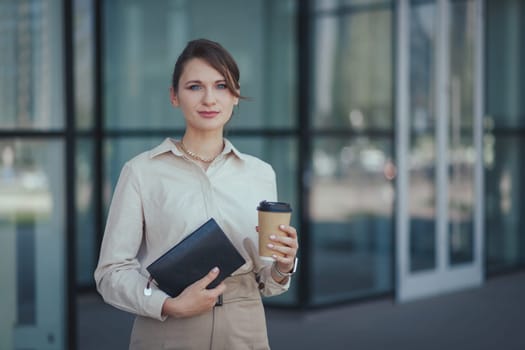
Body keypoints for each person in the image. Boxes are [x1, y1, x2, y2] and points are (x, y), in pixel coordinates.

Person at [94, 38, 299, 350]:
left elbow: (267, 282)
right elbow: (111, 273)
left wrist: (284, 265)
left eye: (221, 86)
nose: (209, 99)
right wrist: (167, 305)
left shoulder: (260, 173)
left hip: (244, 327)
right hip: (167, 328)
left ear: (236, 96)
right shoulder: (141, 172)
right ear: (174, 96)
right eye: (194, 87)